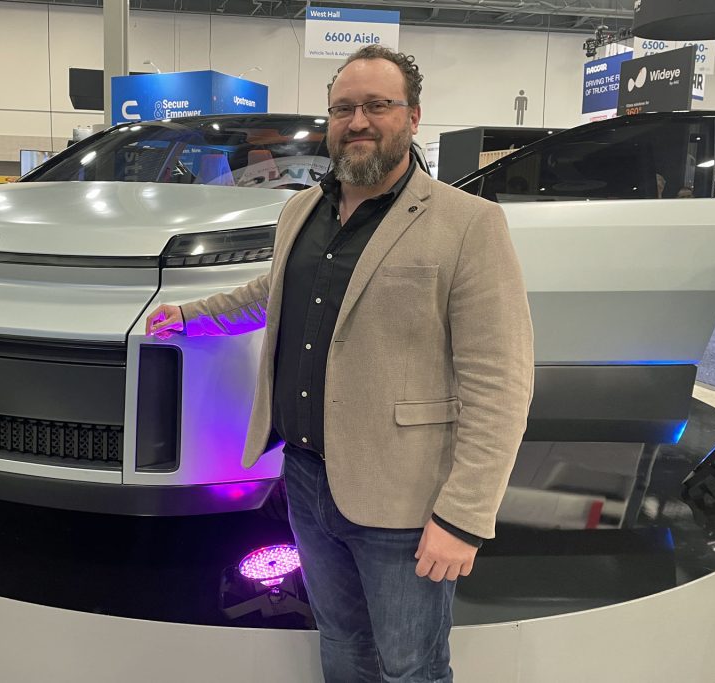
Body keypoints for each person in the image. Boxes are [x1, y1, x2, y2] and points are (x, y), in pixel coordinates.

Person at [145, 46, 534, 682]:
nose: (359, 121)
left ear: (412, 115)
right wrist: (195, 315)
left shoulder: (469, 224)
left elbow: (503, 381)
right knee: (343, 642)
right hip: (305, 477)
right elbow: (271, 295)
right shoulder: (302, 210)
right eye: (344, 108)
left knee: (413, 667)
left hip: (404, 497)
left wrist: (463, 516)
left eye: (378, 105)